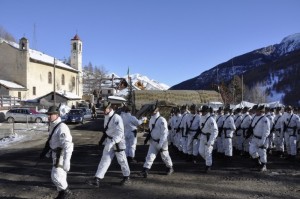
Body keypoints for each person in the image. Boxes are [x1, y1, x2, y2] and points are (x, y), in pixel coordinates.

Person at [86, 101, 131, 187]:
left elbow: (120, 133)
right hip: (109, 141)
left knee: (122, 161)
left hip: (118, 142)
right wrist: (102, 141)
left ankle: (126, 176)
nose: (103, 111)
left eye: (104, 109)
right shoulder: (106, 116)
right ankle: (97, 179)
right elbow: (107, 131)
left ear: (110, 109)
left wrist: (113, 142)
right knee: (104, 160)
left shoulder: (117, 118)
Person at [39, 106, 73, 199]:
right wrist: (48, 151)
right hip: (55, 154)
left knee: (55, 176)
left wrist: (67, 161)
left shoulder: (62, 127)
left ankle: (66, 191)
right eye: (48, 115)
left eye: (51, 115)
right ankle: (62, 194)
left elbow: (68, 145)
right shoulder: (53, 125)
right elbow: (52, 140)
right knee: (61, 176)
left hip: (61, 155)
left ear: (57, 115)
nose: (49, 117)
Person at [140, 103, 174, 178]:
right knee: (150, 156)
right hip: (153, 141)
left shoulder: (162, 120)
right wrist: (147, 138)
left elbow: (165, 133)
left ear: (157, 110)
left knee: (165, 156)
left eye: (153, 111)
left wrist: (161, 144)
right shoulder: (152, 119)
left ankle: (170, 167)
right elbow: (151, 130)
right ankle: (146, 169)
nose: (151, 112)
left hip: (162, 141)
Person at [197, 105, 218, 172]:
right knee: (201, 151)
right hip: (203, 137)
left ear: (207, 111)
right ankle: (209, 161)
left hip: (209, 137)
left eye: (203, 111)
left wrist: (211, 141)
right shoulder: (201, 118)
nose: (202, 113)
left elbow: (215, 131)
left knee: (208, 152)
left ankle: (208, 166)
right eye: (202, 111)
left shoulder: (211, 119)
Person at [249, 105, 270, 172]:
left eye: (257, 110)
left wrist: (263, 140)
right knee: (251, 150)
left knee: (262, 152)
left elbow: (266, 131)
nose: (256, 111)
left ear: (261, 111)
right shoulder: (255, 117)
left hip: (262, 138)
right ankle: (257, 161)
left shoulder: (265, 119)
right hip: (255, 137)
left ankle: (264, 165)